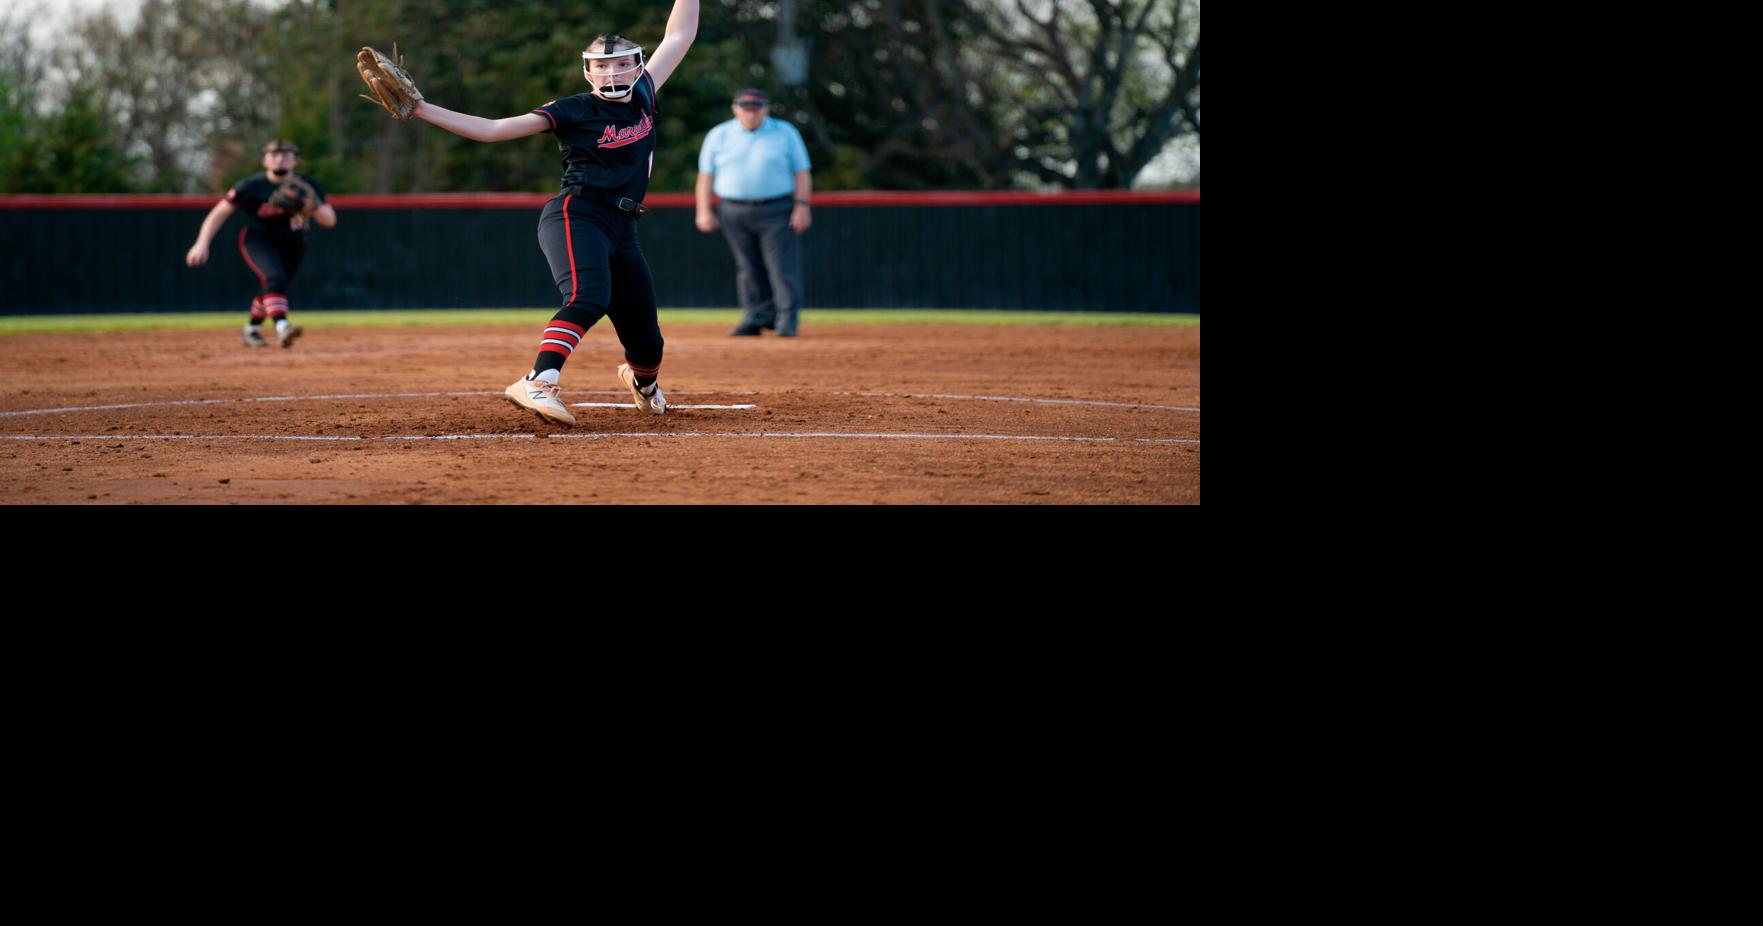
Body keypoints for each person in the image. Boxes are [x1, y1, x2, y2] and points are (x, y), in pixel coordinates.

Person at [399, 2, 698, 428]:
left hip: (624, 227)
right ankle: (538, 379)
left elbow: (680, 34)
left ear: (638, 67)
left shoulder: (645, 92)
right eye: (602, 67)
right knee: (587, 296)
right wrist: (420, 109)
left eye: (620, 65)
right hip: (578, 214)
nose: (611, 75)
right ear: (588, 72)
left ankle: (642, 382)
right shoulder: (574, 109)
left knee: (647, 342)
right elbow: (493, 130)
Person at [185, 139, 337, 348]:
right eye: (274, 155)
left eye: (285, 155)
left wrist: (313, 206)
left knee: (272, 286)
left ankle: (251, 330)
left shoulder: (307, 185)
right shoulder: (251, 185)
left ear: (295, 160)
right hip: (258, 239)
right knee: (274, 278)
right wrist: (201, 243)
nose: (279, 159)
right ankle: (283, 327)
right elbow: (219, 213)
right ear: (264, 160)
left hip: (294, 242)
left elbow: (329, 220)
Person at [695, 89, 813, 337]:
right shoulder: (719, 134)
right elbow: (706, 176)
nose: (751, 114)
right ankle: (756, 316)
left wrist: (802, 205)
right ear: (735, 109)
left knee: (781, 266)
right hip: (733, 209)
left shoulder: (785, 132)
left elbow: (802, 171)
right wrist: (703, 210)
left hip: (776, 208)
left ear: (765, 109)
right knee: (747, 267)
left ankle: (787, 318)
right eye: (745, 109)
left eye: (756, 109)